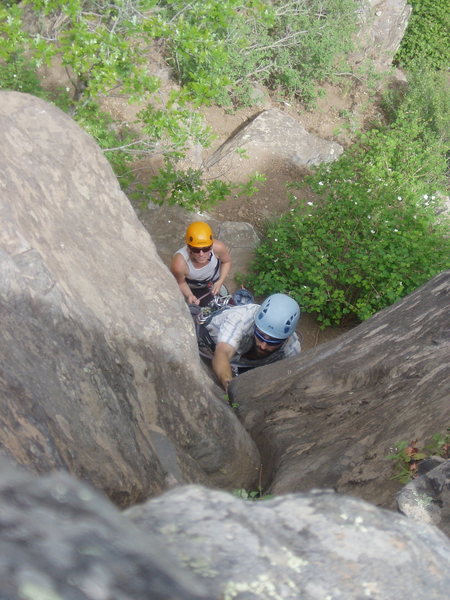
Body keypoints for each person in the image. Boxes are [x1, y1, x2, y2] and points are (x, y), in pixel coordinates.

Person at [204, 293, 301, 390]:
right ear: (255, 324)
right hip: (212, 340)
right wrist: (228, 385)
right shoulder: (241, 318)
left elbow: (290, 376)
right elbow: (222, 352)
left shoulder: (292, 348)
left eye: (273, 342)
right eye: (260, 336)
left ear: (286, 338)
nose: (263, 346)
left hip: (247, 362)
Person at [171, 221, 231, 307]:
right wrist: (190, 295)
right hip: (196, 287)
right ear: (189, 247)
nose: (201, 254)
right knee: (210, 306)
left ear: (211, 246)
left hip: (214, 278)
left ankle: (217, 286)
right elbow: (181, 282)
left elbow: (226, 261)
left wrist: (220, 281)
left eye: (206, 249)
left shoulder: (218, 248)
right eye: (196, 250)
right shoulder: (179, 264)